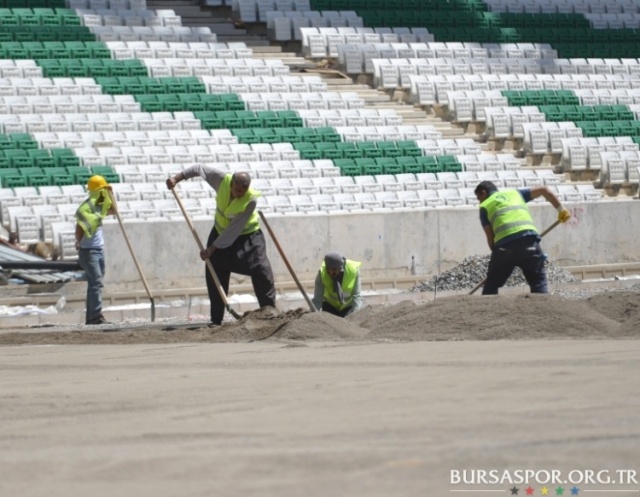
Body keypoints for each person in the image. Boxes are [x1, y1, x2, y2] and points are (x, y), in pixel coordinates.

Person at [166, 165, 277, 325]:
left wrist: (211, 248)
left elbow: (233, 230)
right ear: (231, 184)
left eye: (242, 192)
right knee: (215, 270)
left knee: (261, 270)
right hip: (219, 232)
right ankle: (216, 319)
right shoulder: (222, 180)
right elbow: (199, 168)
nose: (239, 195)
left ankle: (269, 314)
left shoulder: (251, 200)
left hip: (248, 236)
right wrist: (177, 178)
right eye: (236, 191)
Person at [474, 181, 571, 295]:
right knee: (538, 281)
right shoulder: (516, 194)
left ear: (484, 193)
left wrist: (497, 258)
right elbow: (544, 190)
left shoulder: (484, 206)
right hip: (530, 242)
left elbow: (490, 237)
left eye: (478, 197)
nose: (479, 201)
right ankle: (545, 310)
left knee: (492, 283)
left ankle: (485, 310)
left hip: (504, 247)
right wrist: (561, 210)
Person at [75, 175, 116, 325]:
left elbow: (114, 210)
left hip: (99, 250)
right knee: (96, 283)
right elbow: (79, 227)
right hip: (89, 251)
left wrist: (112, 194)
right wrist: (78, 242)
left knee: (95, 283)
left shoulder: (100, 207)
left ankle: (92, 315)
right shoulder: (87, 208)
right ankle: (95, 316)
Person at [312, 251, 363, 317]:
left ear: (340, 268)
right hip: (330, 305)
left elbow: (357, 296)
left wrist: (356, 315)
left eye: (334, 270)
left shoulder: (353, 271)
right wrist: (314, 315)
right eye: (328, 270)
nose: (331, 273)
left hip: (347, 306)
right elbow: (317, 299)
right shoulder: (322, 272)